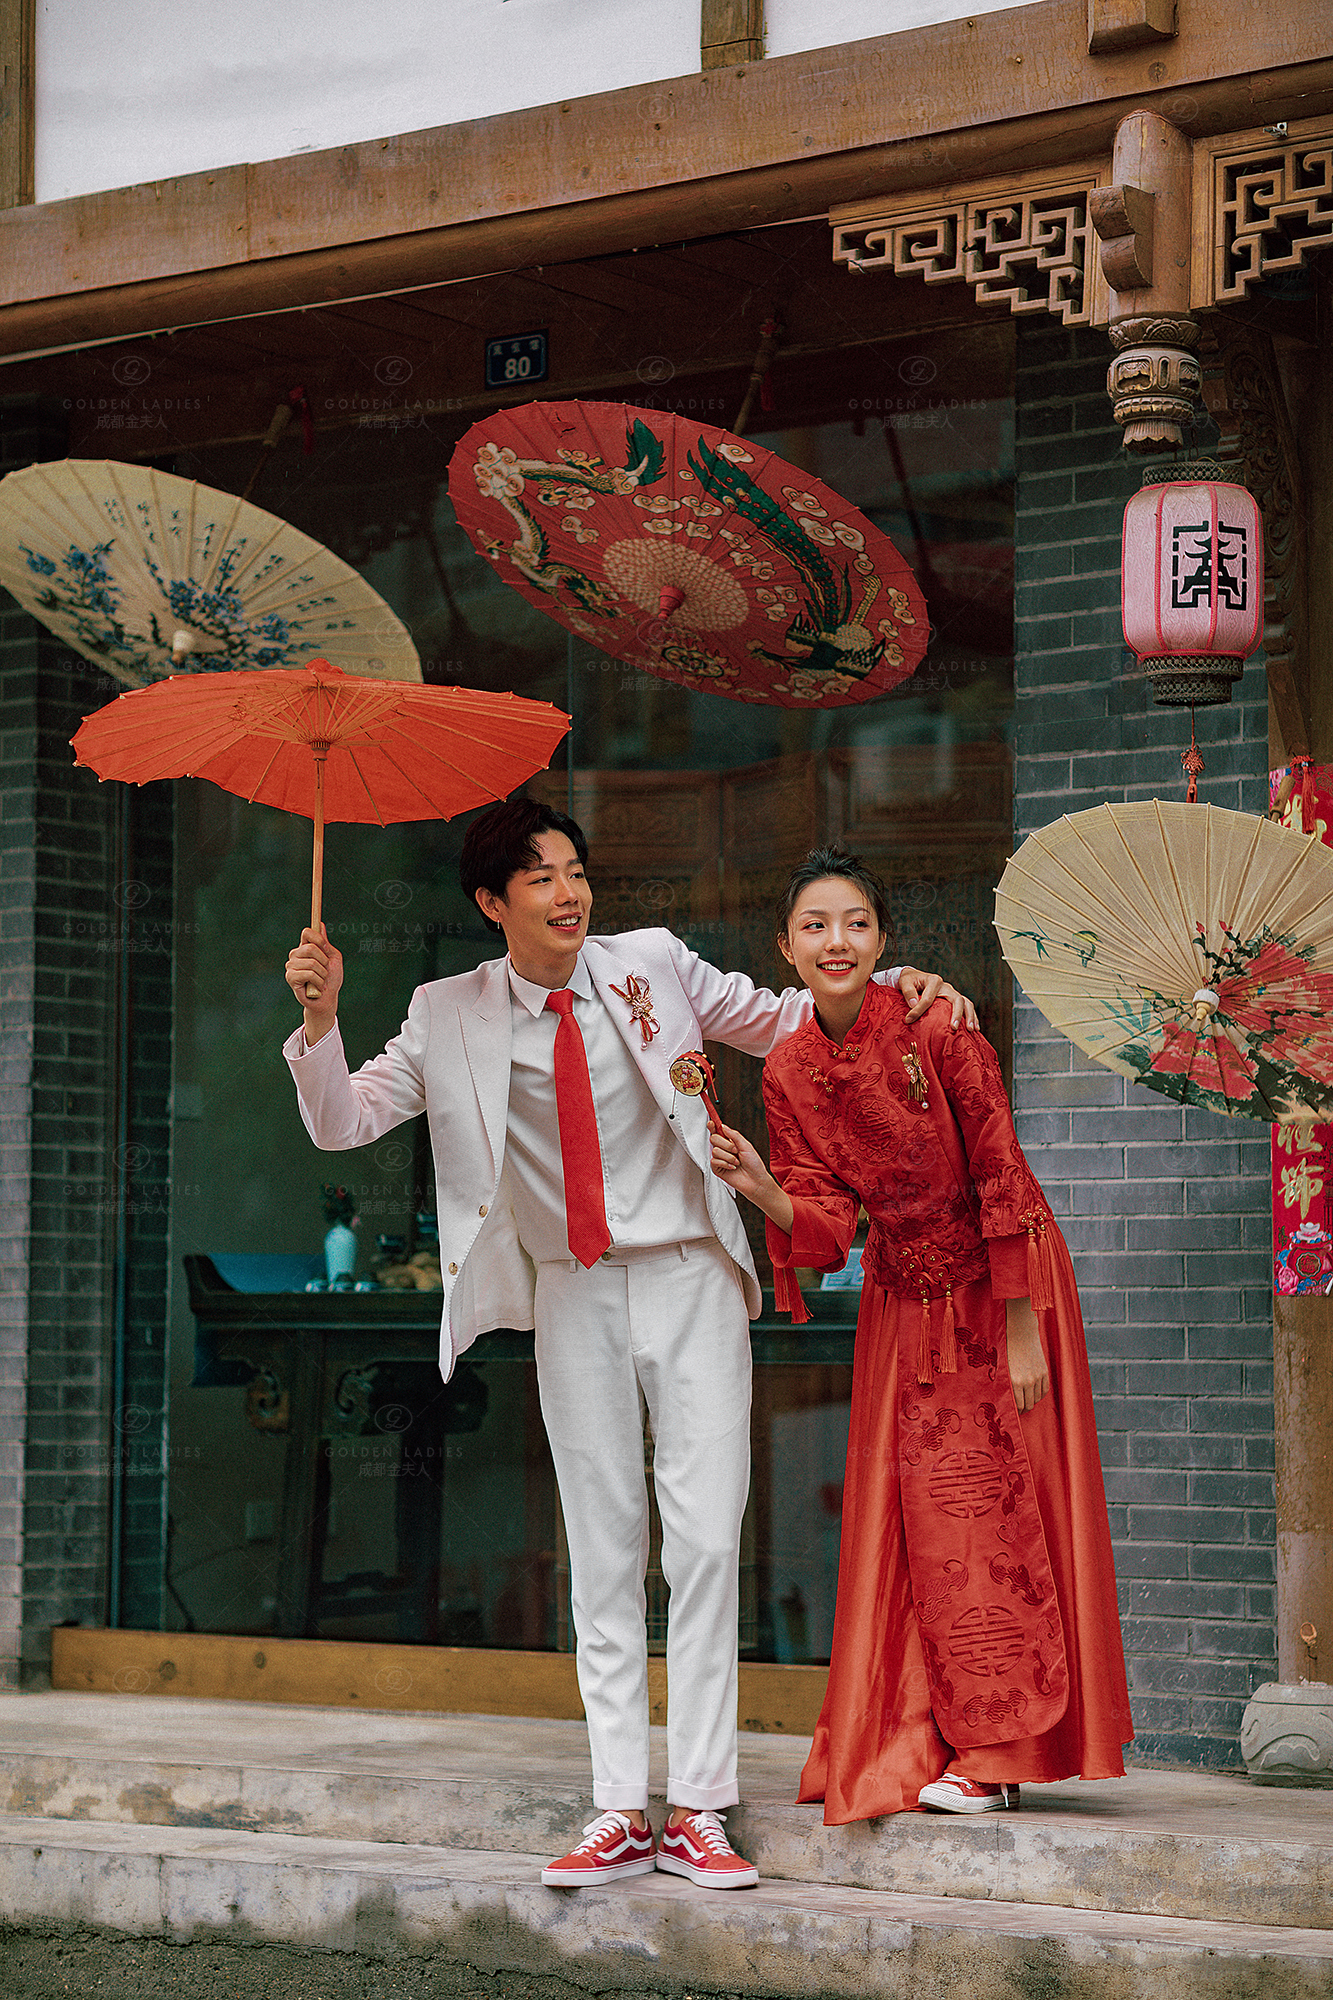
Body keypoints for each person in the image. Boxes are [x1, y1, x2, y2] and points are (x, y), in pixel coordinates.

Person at [282, 798, 978, 1886]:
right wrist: (321, 1021)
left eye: (575, 871)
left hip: (690, 1273)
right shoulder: (446, 1011)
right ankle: (618, 1806)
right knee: (602, 1550)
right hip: (573, 1291)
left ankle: (698, 1806)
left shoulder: (651, 961)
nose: (569, 894)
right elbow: (342, 1122)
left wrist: (903, 989)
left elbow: (787, 1015)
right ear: (492, 902)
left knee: (703, 1543)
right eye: (541, 878)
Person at [710, 847, 1132, 1821]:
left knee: (998, 1514)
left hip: (1003, 1276)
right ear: (784, 947)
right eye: (814, 925)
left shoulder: (937, 1024)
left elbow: (1000, 1168)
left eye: (856, 923)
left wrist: (1019, 1326)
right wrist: (760, 1187)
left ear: (882, 940)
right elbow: (825, 1223)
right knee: (914, 1520)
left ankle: (999, 1751)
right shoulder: (786, 1068)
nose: (837, 941)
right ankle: (921, 1735)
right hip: (903, 1293)